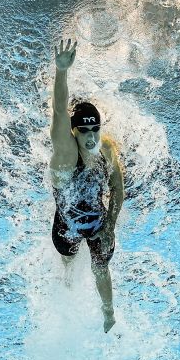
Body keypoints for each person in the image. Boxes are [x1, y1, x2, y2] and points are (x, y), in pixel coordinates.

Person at [50, 39, 124, 333]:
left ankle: (109, 314)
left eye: (96, 129)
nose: (91, 136)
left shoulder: (105, 148)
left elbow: (118, 188)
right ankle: (66, 288)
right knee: (68, 263)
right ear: (74, 131)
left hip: (98, 222)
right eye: (85, 131)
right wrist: (61, 71)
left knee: (101, 268)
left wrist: (111, 226)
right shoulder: (66, 152)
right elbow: (58, 113)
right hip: (65, 225)